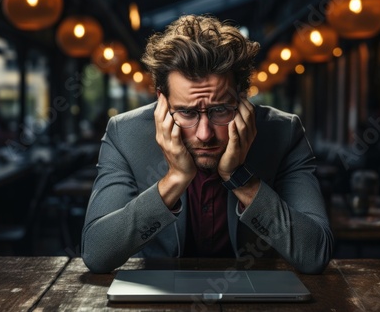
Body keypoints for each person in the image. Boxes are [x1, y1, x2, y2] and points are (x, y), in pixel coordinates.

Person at [82, 15, 333, 274]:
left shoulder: (284, 133)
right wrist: (175, 180)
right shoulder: (125, 134)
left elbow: (315, 254)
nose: (204, 134)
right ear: (162, 102)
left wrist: (240, 179)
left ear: (243, 97)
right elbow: (97, 253)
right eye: (187, 113)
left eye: (220, 110)